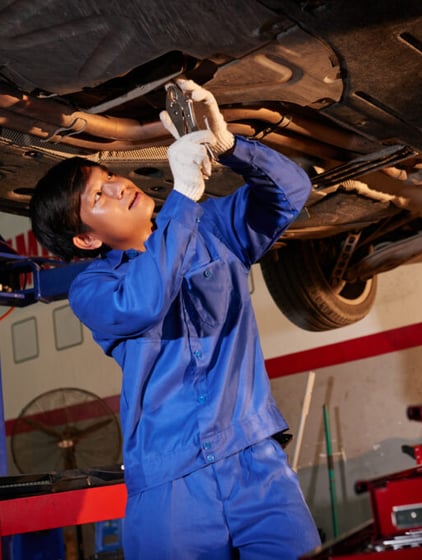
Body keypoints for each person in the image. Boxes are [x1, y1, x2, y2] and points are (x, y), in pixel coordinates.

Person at [30, 79, 321, 560]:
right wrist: (184, 196)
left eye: (109, 176)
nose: (119, 185)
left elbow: (293, 190)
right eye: (99, 195)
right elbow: (143, 302)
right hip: (170, 485)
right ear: (86, 239)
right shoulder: (93, 289)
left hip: (255, 464)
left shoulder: (213, 228)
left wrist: (230, 148)